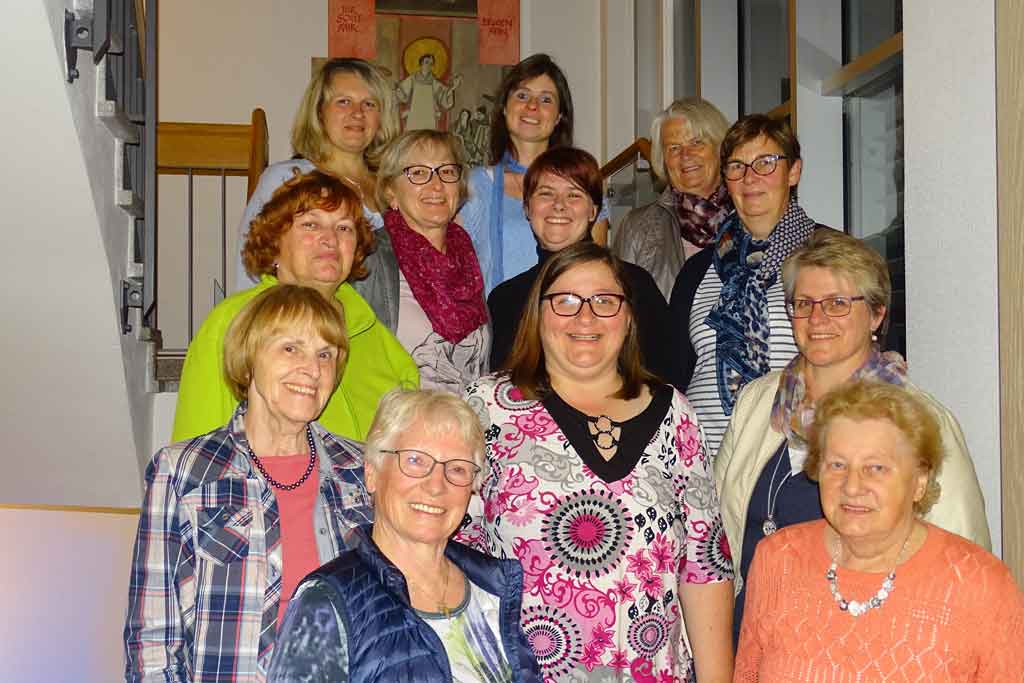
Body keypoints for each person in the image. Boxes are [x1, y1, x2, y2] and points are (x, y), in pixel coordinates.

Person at [461, 242, 735, 682]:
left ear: (628, 317)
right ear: (538, 313)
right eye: (566, 301)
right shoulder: (486, 408)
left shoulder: (675, 413)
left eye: (605, 301)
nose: (585, 317)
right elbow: (452, 551)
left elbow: (705, 567)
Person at [715, 228, 990, 643]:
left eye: (838, 303)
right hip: (751, 639)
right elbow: (720, 535)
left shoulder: (919, 420)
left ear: (876, 314)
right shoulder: (757, 403)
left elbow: (963, 560)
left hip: (863, 647)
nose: (817, 319)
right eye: (803, 304)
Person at [125, 285, 375, 683]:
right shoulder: (184, 471)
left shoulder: (361, 469)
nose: (312, 370)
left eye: (325, 354)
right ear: (249, 359)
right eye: (290, 348)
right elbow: (152, 644)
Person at [734, 380, 1023, 680]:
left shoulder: (981, 586)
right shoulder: (777, 559)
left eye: (876, 468)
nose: (852, 486)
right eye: (837, 465)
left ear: (919, 481)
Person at [267, 389, 542, 683]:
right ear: (372, 474)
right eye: (415, 461)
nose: (436, 485)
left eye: (457, 468)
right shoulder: (326, 601)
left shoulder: (491, 589)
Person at [174, 171, 418, 442]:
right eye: (311, 225)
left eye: (344, 228)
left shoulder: (370, 328)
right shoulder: (235, 319)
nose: (330, 238)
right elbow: (197, 445)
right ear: (275, 241)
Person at [668, 114, 819, 457]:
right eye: (737, 166)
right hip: (703, 461)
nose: (750, 178)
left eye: (765, 163)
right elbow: (673, 377)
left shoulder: (829, 256)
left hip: (794, 461)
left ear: (794, 171)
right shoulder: (696, 271)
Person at [487, 146, 670, 379]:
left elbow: (664, 375)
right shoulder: (504, 299)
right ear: (527, 209)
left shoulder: (632, 283)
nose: (559, 205)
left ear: (593, 211)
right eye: (546, 194)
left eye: (573, 195)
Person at [235, 58, 399, 293]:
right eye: (344, 102)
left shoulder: (397, 187)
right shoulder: (287, 178)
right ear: (320, 112)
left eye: (369, 104)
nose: (357, 113)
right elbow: (249, 275)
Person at [458, 53, 609, 293]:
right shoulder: (474, 184)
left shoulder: (584, 184)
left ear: (559, 116)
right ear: (504, 108)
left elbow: (596, 272)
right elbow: (454, 267)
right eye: (522, 95)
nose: (532, 106)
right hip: (499, 313)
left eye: (546, 99)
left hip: (567, 311)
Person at [375, 129, 490, 394]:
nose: (436, 185)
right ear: (391, 192)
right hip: (399, 417)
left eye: (446, 171)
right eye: (418, 173)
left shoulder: (467, 259)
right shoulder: (370, 260)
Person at [611, 97, 733, 299]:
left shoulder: (751, 215)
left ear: (720, 149)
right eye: (674, 148)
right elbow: (620, 303)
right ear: (663, 160)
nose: (685, 155)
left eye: (696, 142)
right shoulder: (637, 227)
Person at [395, 52, 463, 131]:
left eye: (431, 64)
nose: (428, 66)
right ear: (421, 63)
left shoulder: (434, 82)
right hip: (415, 114)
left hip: (429, 115)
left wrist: (452, 88)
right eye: (426, 62)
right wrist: (397, 90)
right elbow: (402, 94)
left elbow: (444, 96)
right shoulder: (412, 79)